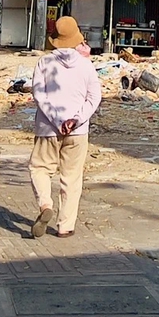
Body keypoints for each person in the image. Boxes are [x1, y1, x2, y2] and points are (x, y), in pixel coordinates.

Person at [28, 16, 103, 239]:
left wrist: (56, 119)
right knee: (71, 178)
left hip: (47, 129)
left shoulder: (44, 63)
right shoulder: (86, 65)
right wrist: (75, 120)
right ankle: (65, 226)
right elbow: (94, 97)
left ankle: (45, 204)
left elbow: (39, 94)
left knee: (39, 168)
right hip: (77, 132)